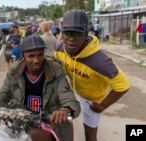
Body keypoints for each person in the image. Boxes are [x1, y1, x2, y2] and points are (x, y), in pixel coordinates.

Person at [0, 35, 81, 141]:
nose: (36, 60)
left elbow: (69, 99)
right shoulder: (15, 72)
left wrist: (64, 110)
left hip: (49, 126)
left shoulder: (56, 71)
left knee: (37, 134)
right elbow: (4, 94)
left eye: (40, 55)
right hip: (20, 125)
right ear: (23, 56)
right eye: (31, 56)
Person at [54, 10, 131, 141]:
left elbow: (123, 85)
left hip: (92, 100)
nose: (71, 39)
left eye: (77, 35)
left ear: (86, 34)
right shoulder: (59, 48)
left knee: (90, 134)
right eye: (67, 34)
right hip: (74, 92)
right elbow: (57, 70)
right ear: (62, 33)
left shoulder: (100, 61)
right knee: (61, 124)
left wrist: (102, 105)